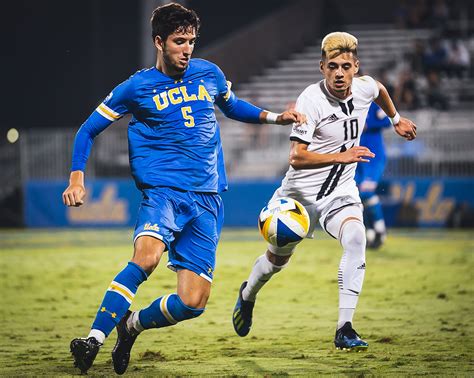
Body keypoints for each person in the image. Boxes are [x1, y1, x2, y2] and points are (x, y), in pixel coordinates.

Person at [63, 3, 305, 375]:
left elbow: (233, 106)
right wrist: (77, 177)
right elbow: (87, 129)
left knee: (193, 302)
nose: (187, 48)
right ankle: (93, 339)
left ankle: (130, 327)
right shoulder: (136, 87)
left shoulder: (209, 74)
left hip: (207, 198)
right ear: (159, 42)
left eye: (191, 40)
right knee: (146, 257)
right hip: (163, 192)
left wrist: (275, 117)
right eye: (179, 41)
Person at [232, 32, 416, 350]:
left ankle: (344, 328)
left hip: (340, 193)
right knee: (276, 262)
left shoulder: (365, 86)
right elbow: (296, 157)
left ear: (356, 67)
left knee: (357, 238)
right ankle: (247, 295)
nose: (340, 73)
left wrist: (396, 119)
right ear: (322, 67)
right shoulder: (310, 100)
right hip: (298, 197)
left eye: (346, 65)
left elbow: (381, 91)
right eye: (333, 66)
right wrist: (341, 156)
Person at [355, 102, 392, 249]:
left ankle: (380, 230)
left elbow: (386, 120)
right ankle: (369, 233)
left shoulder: (374, 103)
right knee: (356, 195)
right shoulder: (348, 104)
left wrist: (367, 124)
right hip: (356, 157)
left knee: (366, 192)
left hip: (373, 156)